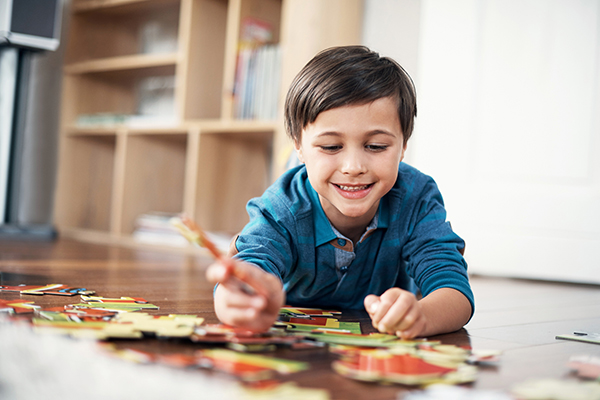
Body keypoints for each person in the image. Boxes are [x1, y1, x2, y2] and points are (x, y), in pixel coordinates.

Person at [206, 45, 474, 339]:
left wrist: (420, 316)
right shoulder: (282, 208)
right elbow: (247, 271)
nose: (353, 167)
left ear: (403, 146)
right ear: (299, 145)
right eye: (331, 147)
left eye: (375, 146)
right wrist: (243, 298)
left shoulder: (416, 197)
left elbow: (453, 289)